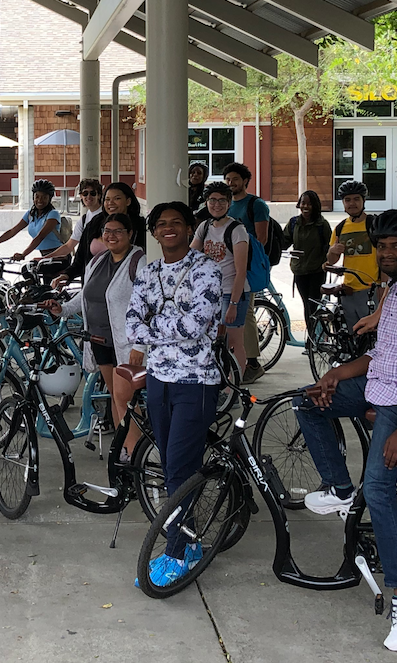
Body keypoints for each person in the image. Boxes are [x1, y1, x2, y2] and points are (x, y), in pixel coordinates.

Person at [293, 209, 397, 652]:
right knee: (305, 403)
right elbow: (382, 357)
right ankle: (340, 488)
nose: (387, 253)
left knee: (381, 491)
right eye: (382, 246)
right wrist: (335, 377)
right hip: (382, 386)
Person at [126, 201, 223, 588]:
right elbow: (133, 324)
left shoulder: (207, 270)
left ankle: (178, 553)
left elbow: (195, 327)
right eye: (161, 224)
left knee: (181, 469)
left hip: (195, 382)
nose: (169, 229)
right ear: (153, 232)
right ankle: (190, 540)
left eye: (176, 224)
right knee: (170, 467)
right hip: (158, 379)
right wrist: (163, 326)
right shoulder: (149, 273)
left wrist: (154, 323)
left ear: (189, 228)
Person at [41, 213, 146, 461]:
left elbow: (147, 307)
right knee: (115, 396)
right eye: (106, 231)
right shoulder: (98, 260)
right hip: (99, 340)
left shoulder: (139, 262)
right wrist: (63, 309)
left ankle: (137, 453)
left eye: (118, 231)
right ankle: (124, 450)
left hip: (126, 344)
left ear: (130, 234)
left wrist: (140, 345)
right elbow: (86, 295)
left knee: (125, 398)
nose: (111, 236)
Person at [191, 182, 251, 374]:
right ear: (206, 202)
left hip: (231, 293)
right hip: (211, 293)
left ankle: (235, 387)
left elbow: (241, 271)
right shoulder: (205, 226)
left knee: (234, 342)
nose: (216, 205)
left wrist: (233, 303)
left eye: (222, 200)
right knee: (216, 341)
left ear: (229, 202)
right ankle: (222, 382)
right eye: (212, 200)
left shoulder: (237, 230)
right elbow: (190, 256)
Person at [222, 162, 270, 383]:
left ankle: (252, 362)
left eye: (235, 179)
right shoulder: (227, 205)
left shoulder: (256, 204)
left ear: (245, 181)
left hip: (247, 265)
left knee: (246, 312)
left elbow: (261, 238)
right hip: (227, 266)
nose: (231, 183)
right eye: (228, 180)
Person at [0, 180, 70, 278]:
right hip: (44, 258)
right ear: (33, 197)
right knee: (36, 282)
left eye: (44, 197)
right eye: (37, 196)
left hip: (59, 258)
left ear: (50, 199)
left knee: (27, 270)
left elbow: (40, 237)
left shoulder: (53, 214)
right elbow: (13, 231)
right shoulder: (31, 214)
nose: (40, 200)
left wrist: (23, 254)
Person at [324, 180, 381, 330]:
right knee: (351, 335)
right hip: (348, 290)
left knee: (372, 335)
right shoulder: (340, 228)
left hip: (371, 289)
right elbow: (331, 260)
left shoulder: (374, 224)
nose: (352, 203)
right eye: (347, 200)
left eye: (356, 199)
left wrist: (383, 287)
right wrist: (333, 252)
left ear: (363, 201)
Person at [284, 190, 332, 336]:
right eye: (303, 203)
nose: (305, 206)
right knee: (307, 305)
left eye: (309, 204)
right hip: (299, 271)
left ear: (315, 205)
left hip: (317, 271)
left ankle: (315, 338)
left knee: (313, 305)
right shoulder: (294, 223)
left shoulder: (321, 224)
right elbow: (284, 241)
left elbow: (329, 247)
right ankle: (313, 339)